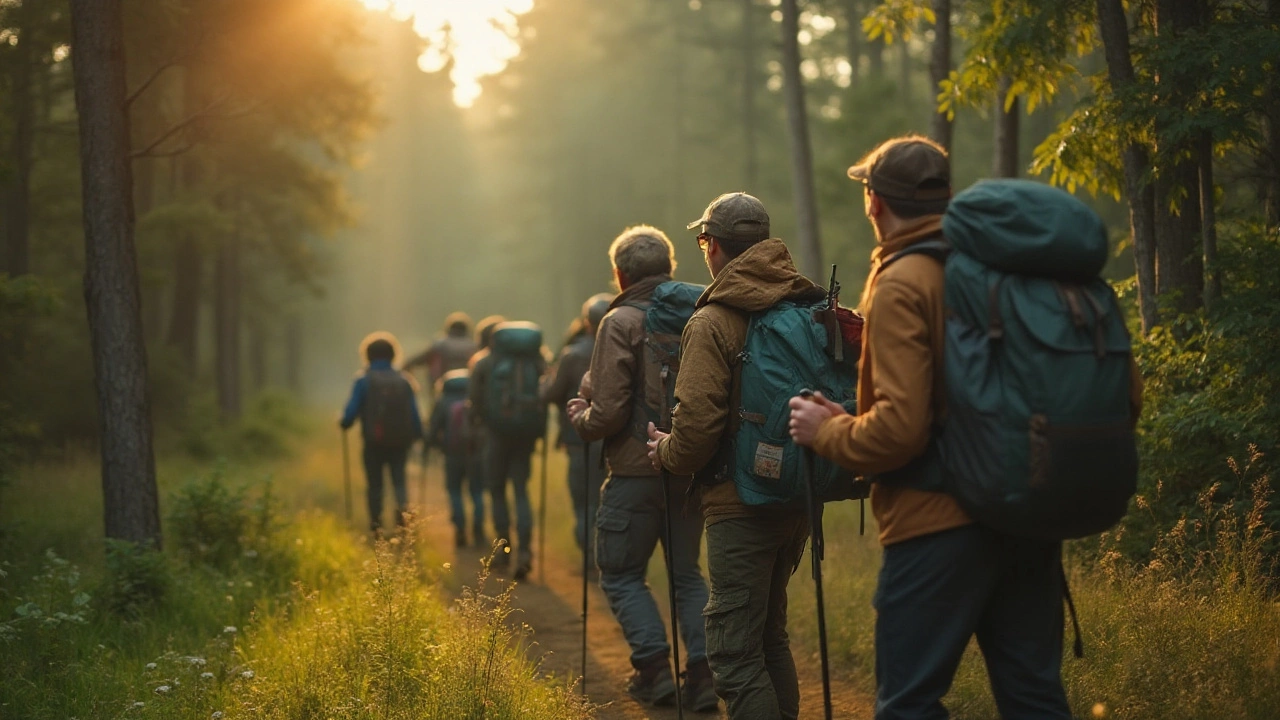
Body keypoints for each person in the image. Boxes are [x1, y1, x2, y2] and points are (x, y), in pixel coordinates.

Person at [786, 136, 1103, 720]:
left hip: (936, 524)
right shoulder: (1008, 268)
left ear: (874, 202)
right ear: (947, 197)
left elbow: (901, 431)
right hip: (1025, 513)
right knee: (1034, 698)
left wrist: (826, 431)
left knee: (908, 703)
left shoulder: (904, 280)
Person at [646, 193, 825, 720]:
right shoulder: (803, 304)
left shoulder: (713, 320)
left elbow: (697, 426)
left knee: (732, 653)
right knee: (769, 638)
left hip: (737, 504)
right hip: (797, 494)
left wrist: (666, 452)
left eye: (703, 241)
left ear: (714, 245)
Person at [567, 226, 715, 712]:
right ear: (669, 269)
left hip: (633, 472)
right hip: (688, 468)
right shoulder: (700, 313)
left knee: (621, 573)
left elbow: (608, 412)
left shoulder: (620, 321)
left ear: (620, 273)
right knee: (688, 575)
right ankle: (702, 677)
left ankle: (653, 672)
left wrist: (582, 420)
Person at [470, 319, 548, 581]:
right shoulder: (536, 361)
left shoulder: (484, 362)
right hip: (525, 434)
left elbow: (475, 400)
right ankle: (525, 553)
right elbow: (546, 393)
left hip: (495, 433)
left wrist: (482, 423)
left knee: (497, 490)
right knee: (520, 490)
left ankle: (503, 552)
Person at [542, 293, 614, 572]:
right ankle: (606, 555)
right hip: (613, 439)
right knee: (606, 498)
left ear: (587, 323)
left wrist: (545, 383)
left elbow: (553, 394)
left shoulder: (572, 355)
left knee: (583, 499)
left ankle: (588, 556)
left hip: (578, 439)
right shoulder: (626, 345)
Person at [340, 332, 424, 534]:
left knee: (375, 484)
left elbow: (350, 413)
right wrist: (419, 435)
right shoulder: (404, 380)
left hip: (373, 442)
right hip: (400, 441)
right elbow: (414, 413)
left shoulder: (363, 380)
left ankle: (376, 525)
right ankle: (403, 522)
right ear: (393, 355)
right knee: (399, 481)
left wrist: (344, 423)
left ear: (367, 355)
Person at [427, 368, 485, 549]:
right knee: (476, 491)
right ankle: (478, 528)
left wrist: (431, 445)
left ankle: (460, 528)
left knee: (454, 491)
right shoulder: (477, 399)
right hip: (475, 453)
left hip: (452, 453)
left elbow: (434, 427)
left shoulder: (443, 401)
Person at [403, 312, 478, 387]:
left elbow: (416, 361)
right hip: (468, 387)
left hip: (442, 388)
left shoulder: (439, 345)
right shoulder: (474, 347)